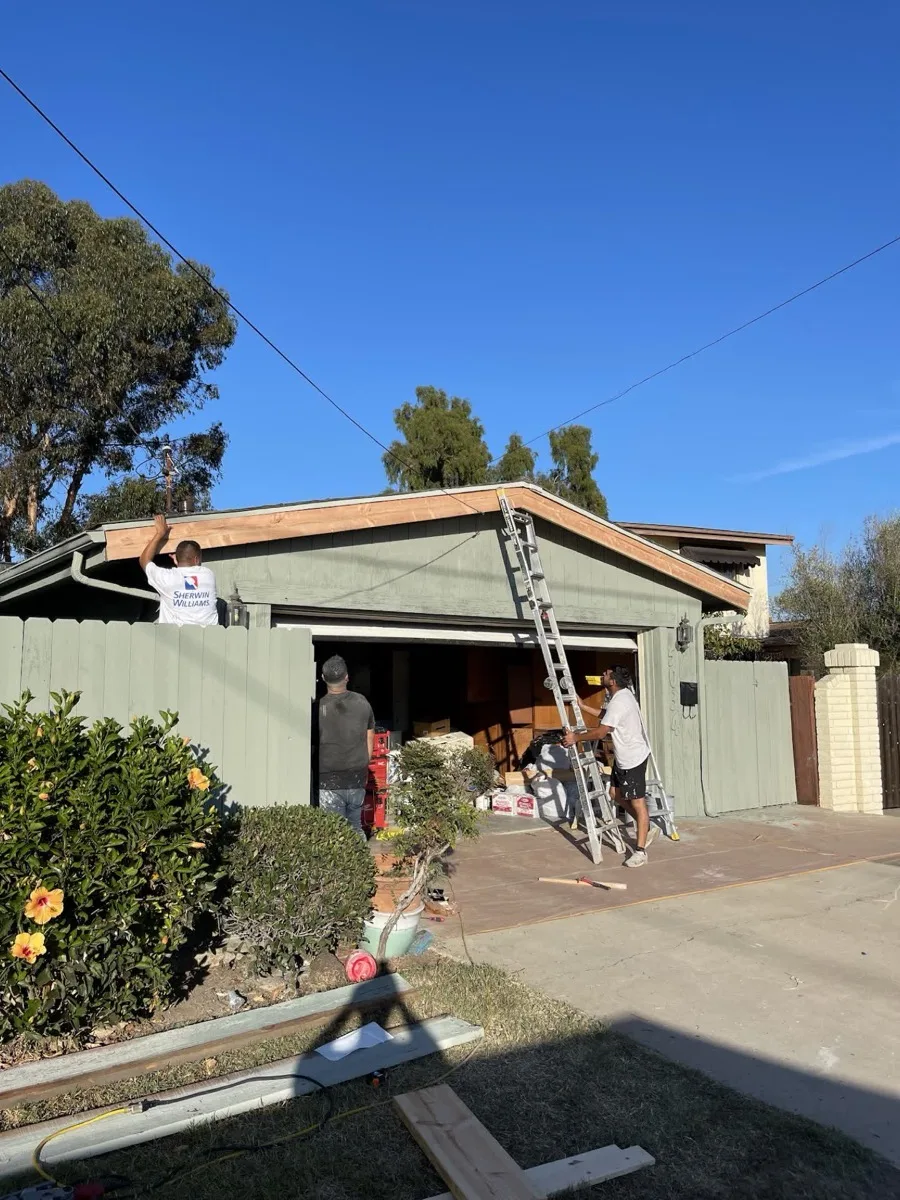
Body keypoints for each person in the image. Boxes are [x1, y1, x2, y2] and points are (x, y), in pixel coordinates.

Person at [564, 666, 655, 867]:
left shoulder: (620, 701)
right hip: (623, 757)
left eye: (605, 675)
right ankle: (645, 826)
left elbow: (601, 732)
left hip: (633, 758)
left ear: (612, 681)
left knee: (638, 803)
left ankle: (640, 852)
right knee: (616, 795)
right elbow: (607, 715)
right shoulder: (623, 696)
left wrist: (575, 738)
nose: (602, 677)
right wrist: (583, 706)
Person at [317, 655, 374, 836]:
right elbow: (370, 737)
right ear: (347, 677)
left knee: (333, 833)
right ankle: (361, 863)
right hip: (357, 776)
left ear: (324, 678)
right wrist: (363, 764)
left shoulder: (317, 708)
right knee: (355, 827)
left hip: (328, 779)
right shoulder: (362, 702)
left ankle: (339, 865)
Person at [139, 514, 219, 626]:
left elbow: (144, 561)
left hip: (176, 640)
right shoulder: (209, 575)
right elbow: (185, 577)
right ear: (196, 559)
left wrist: (160, 533)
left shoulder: (167, 578)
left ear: (177, 559)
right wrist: (179, 566)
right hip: (207, 638)